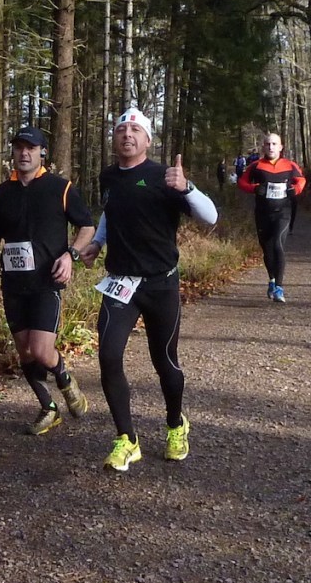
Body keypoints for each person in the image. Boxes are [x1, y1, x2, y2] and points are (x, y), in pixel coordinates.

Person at [79, 108, 218, 472]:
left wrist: (187, 187)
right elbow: (111, 211)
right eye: (121, 129)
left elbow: (211, 217)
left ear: (148, 140)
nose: (127, 134)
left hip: (160, 283)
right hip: (121, 283)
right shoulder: (108, 176)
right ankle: (127, 439)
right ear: (114, 138)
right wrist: (98, 242)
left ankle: (175, 424)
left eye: (135, 130)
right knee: (108, 355)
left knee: (164, 361)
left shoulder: (165, 177)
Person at [0, 126, 96, 435]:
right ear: (13, 152)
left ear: (43, 152)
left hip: (46, 281)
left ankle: (65, 380)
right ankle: (48, 408)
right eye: (19, 147)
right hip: (14, 284)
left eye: (30, 148)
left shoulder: (60, 188)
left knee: (41, 350)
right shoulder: (0, 194)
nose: (24, 153)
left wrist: (70, 255)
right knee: (25, 352)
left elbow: (87, 227)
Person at [237, 132, 306, 303]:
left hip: (283, 212)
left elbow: (301, 180)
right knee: (267, 250)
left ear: (281, 147)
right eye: (268, 144)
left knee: (278, 245)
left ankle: (279, 288)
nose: (271, 147)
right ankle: (272, 280)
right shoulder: (256, 166)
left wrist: (296, 190)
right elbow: (242, 182)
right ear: (263, 147)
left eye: (274, 144)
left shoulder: (289, 165)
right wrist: (254, 188)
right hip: (263, 214)